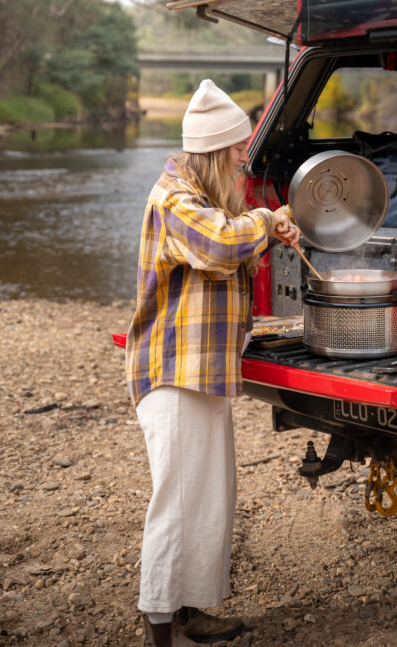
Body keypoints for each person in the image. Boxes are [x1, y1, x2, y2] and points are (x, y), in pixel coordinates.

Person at [125, 79, 300, 647]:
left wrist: (270, 232)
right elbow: (220, 247)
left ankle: (193, 610)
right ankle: (159, 625)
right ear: (212, 153)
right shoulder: (172, 198)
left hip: (202, 371)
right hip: (174, 374)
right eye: (235, 154)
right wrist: (268, 220)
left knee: (208, 499)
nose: (241, 162)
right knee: (177, 502)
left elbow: (231, 240)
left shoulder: (201, 197)